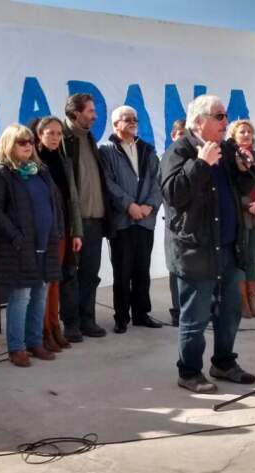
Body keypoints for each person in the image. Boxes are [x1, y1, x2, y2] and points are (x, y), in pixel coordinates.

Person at [161, 95, 255, 393]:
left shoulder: (226, 150)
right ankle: (189, 372)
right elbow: (173, 194)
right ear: (199, 121)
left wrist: (245, 171)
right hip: (196, 249)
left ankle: (224, 363)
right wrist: (201, 164)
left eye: (225, 116)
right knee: (196, 317)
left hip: (228, 247)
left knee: (230, 310)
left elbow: (243, 190)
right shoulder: (179, 151)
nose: (225, 122)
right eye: (219, 116)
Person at [0, 124, 64, 367]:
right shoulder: (1, 173)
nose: (28, 146)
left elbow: (54, 204)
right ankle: (16, 347)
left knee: (40, 295)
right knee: (20, 296)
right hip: (20, 246)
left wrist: (57, 232)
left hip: (45, 243)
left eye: (30, 142)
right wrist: (16, 237)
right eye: (22, 142)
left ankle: (34, 342)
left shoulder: (41, 170)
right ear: (10, 144)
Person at [100, 106, 163, 334]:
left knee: (142, 270)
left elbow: (158, 182)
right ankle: (121, 317)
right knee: (122, 271)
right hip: (123, 221)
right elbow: (107, 183)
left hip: (145, 220)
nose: (133, 122)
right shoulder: (106, 151)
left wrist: (149, 206)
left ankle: (141, 313)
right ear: (116, 124)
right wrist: (129, 205)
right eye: (127, 119)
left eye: (135, 119)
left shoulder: (147, 150)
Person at [61, 94, 113, 338]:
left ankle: (87, 319)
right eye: (90, 111)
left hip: (95, 220)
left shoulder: (90, 139)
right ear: (76, 113)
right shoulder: (62, 139)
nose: (95, 115)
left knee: (90, 274)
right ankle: (70, 323)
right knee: (70, 274)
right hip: (73, 222)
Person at [34, 116, 82, 347]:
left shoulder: (63, 161)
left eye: (58, 133)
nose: (55, 137)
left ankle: (54, 326)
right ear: (39, 134)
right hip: (43, 232)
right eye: (50, 133)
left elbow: (72, 199)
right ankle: (42, 331)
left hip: (63, 230)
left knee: (55, 281)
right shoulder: (34, 162)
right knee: (42, 283)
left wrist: (77, 232)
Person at [227, 119, 255, 319]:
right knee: (240, 258)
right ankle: (242, 303)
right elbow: (231, 188)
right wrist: (247, 205)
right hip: (239, 214)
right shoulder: (230, 158)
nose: (246, 135)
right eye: (242, 132)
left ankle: (252, 301)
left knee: (253, 257)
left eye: (249, 132)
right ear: (234, 136)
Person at [165, 119, 187, 327]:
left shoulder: (194, 159)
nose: (183, 137)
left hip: (193, 225)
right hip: (174, 222)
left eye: (186, 133)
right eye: (180, 133)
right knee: (175, 267)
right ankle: (177, 311)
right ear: (173, 136)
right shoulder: (168, 158)